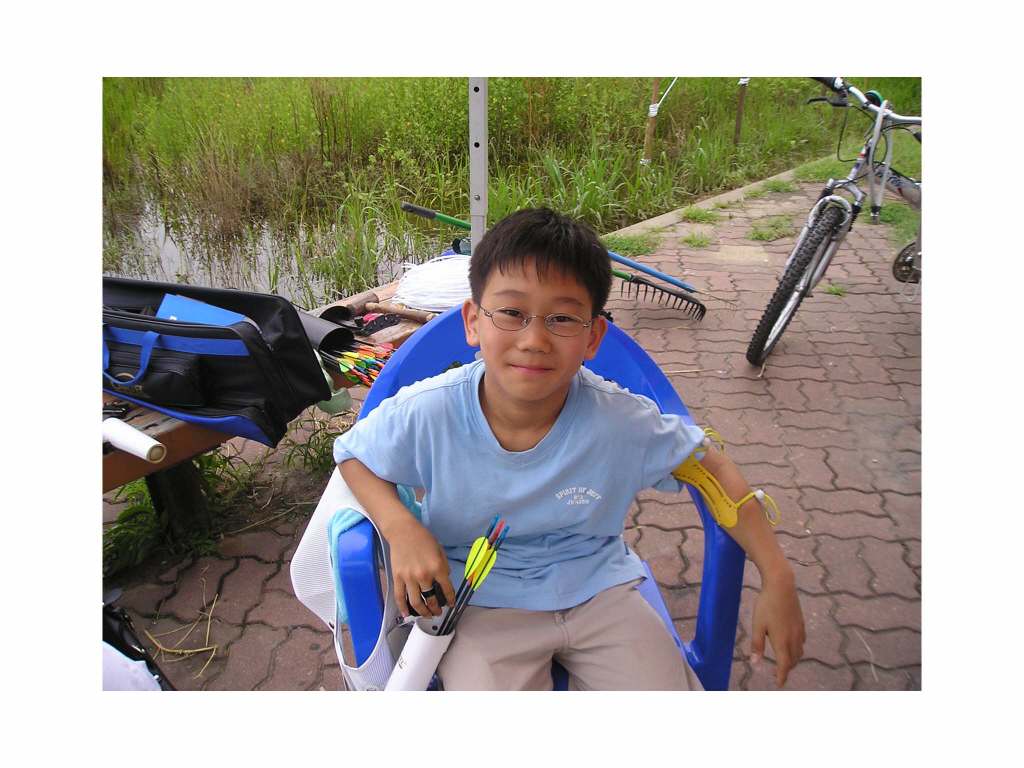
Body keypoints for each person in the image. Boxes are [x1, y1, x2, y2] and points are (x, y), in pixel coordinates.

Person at [334, 207, 805, 690]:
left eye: (562, 318)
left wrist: (777, 575)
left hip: (601, 591)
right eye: (512, 313)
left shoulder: (619, 419)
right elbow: (354, 456)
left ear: (593, 337)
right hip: (477, 601)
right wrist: (402, 529)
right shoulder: (430, 411)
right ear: (473, 322)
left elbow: (711, 470)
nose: (534, 340)